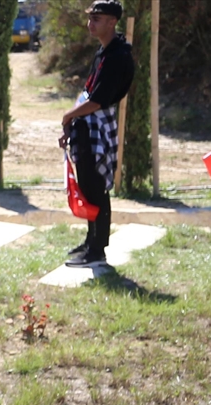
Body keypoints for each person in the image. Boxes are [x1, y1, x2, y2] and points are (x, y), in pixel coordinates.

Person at [59, 0, 134, 268]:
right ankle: (91, 240)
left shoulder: (118, 55)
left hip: (98, 126)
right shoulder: (103, 51)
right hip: (86, 126)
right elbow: (88, 93)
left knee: (96, 187)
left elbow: (98, 100)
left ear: (112, 22)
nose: (91, 24)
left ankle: (97, 249)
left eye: (97, 19)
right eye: (90, 18)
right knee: (88, 186)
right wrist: (72, 122)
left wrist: (69, 115)